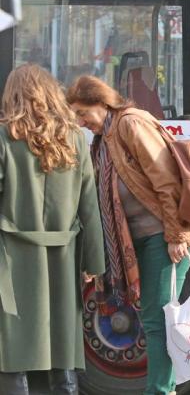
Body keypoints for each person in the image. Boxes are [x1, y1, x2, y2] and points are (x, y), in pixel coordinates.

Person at [66, 76, 190, 395]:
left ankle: (160, 390)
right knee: (154, 315)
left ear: (102, 104)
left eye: (83, 112)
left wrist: (175, 235)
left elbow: (167, 181)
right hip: (149, 235)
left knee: (156, 318)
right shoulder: (106, 137)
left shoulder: (130, 124)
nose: (80, 121)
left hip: (167, 233)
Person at [0, 64, 105, 395]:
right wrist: (94, 263)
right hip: (64, 253)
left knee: (13, 347)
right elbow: (90, 204)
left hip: (11, 255)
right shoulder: (75, 137)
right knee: (63, 341)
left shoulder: (4, 136)